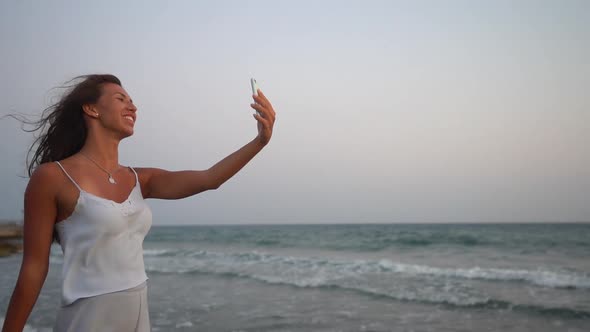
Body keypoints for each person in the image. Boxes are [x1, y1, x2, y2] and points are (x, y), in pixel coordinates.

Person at [1, 74, 276, 332]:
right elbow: (34, 267)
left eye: (132, 101)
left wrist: (259, 141)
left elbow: (209, 179)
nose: (132, 106)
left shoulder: (140, 179)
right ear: (91, 109)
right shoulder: (52, 177)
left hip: (138, 314)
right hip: (88, 317)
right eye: (121, 99)